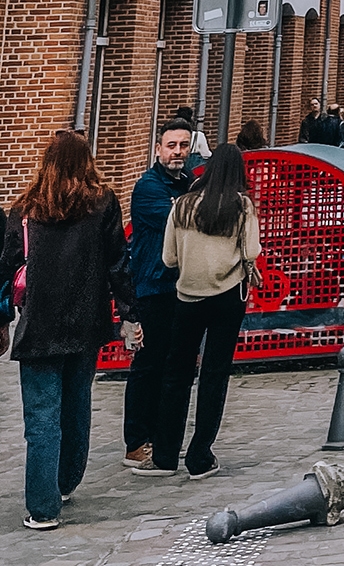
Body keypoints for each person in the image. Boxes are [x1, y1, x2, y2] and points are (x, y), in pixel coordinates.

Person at [0, 131, 138, 531]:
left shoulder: (26, 207)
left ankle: (42, 508)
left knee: (41, 419)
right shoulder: (103, 203)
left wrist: (2, 319)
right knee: (77, 405)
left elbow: (6, 266)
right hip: (86, 321)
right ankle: (65, 481)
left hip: (39, 324)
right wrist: (130, 312)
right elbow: (118, 262)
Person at [134, 145, 259, 480]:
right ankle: (200, 456)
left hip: (187, 297)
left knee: (176, 374)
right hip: (228, 296)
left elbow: (169, 259)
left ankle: (164, 456)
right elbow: (252, 250)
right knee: (214, 375)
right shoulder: (240, 205)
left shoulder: (182, 205)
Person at [121, 120, 197, 468]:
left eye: (183, 145)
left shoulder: (189, 183)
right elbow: (183, 222)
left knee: (173, 365)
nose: (177, 151)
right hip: (154, 286)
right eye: (171, 145)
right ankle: (136, 442)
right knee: (148, 365)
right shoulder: (148, 187)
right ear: (158, 149)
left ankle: (162, 436)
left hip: (183, 286)